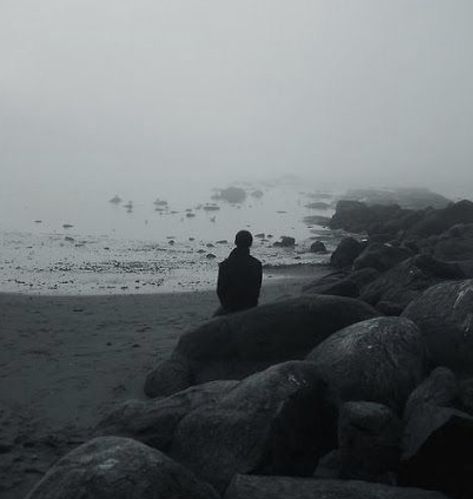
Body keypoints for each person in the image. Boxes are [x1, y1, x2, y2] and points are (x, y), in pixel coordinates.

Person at [214, 230, 262, 316]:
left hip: (229, 307)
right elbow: (256, 291)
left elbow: (220, 291)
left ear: (235, 242)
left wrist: (226, 307)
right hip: (249, 306)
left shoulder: (225, 265)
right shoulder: (256, 264)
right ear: (250, 243)